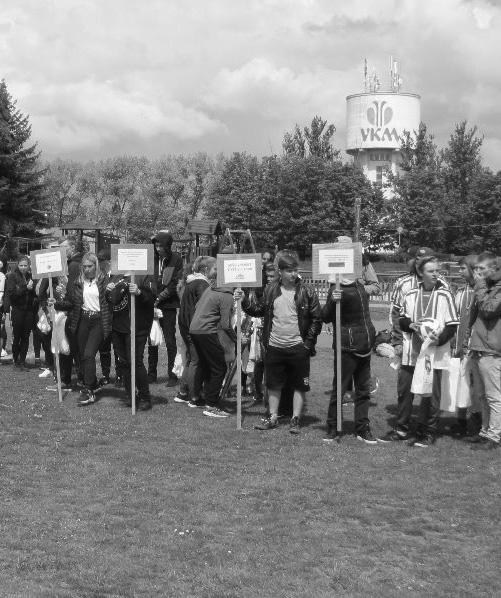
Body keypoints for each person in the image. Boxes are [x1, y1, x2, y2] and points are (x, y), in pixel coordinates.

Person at [238, 254, 322, 434]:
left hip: (298, 347)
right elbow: (259, 310)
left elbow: (316, 319)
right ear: (280, 272)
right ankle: (273, 416)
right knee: (273, 384)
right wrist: (244, 300)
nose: (293, 274)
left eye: (295, 270)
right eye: (289, 271)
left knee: (300, 385)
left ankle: (295, 418)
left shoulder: (307, 291)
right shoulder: (271, 290)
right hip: (275, 346)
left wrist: (307, 344)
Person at [382, 257, 458, 447]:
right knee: (405, 391)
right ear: (421, 273)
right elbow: (402, 319)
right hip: (411, 352)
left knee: (431, 393)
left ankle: (427, 431)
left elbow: (452, 324)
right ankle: (401, 429)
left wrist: (438, 340)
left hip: (434, 353)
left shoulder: (445, 295)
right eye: (431, 271)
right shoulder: (411, 294)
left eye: (437, 271)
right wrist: (411, 325)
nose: (435, 274)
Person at [321, 274, 377, 444]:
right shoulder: (336, 287)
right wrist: (332, 300)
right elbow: (325, 316)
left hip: (364, 344)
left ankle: (362, 427)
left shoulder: (359, 286)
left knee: (363, 390)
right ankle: (332, 426)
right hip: (346, 346)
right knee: (340, 389)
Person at [52, 253, 112, 405]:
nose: (86, 269)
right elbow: (70, 302)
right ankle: (91, 383)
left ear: (96, 266)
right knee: (81, 355)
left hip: (99, 320)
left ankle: (88, 390)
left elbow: (111, 301)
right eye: (84, 267)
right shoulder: (78, 281)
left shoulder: (104, 280)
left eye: (89, 266)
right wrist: (56, 303)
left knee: (89, 354)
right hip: (82, 320)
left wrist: (112, 291)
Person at [106, 273, 156, 411]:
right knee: (124, 363)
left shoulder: (144, 275)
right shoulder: (116, 276)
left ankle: (145, 397)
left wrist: (139, 292)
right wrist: (107, 291)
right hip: (118, 327)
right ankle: (130, 395)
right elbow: (111, 301)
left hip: (137, 327)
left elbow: (152, 298)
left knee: (135, 362)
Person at [466, 252, 501, 450]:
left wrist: (479, 286)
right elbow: (473, 317)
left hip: (492, 350)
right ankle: (485, 431)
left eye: (481, 269)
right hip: (479, 347)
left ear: (493, 270)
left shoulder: (496, 289)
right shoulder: (485, 288)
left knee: (494, 396)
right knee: (482, 396)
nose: (477, 273)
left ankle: (494, 436)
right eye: (476, 269)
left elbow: (489, 310)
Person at [189, 272, 236, 418]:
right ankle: (212, 405)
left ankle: (198, 398)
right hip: (206, 331)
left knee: (205, 365)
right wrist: (238, 339)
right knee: (219, 367)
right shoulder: (227, 295)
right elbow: (225, 324)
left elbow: (197, 306)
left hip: (194, 329)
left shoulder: (210, 288)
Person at [176, 256, 216, 407]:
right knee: (196, 360)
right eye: (215, 269)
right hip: (193, 326)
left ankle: (183, 391)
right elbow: (203, 307)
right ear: (206, 270)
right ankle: (194, 396)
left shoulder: (192, 282)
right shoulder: (202, 284)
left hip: (186, 324)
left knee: (191, 358)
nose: (216, 272)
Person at [450, 255, 482, 437]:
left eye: (462, 268)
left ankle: (477, 422)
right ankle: (460, 422)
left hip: (476, 346)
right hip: (459, 346)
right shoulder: (461, 292)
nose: (459, 272)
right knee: (460, 383)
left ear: (472, 269)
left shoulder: (481, 292)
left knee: (475, 385)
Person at [148, 231, 183, 385]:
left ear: (167, 246)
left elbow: (176, 283)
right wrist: (151, 298)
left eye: (161, 245)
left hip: (168, 305)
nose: (158, 248)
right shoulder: (151, 258)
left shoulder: (176, 259)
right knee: (152, 340)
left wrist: (160, 297)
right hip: (151, 304)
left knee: (170, 341)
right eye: (156, 245)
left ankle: (172, 375)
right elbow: (148, 278)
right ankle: (151, 374)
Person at [6, 255, 37, 369]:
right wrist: (25, 287)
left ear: (29, 266)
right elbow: (12, 295)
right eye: (21, 265)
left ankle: (23, 361)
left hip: (29, 311)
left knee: (26, 336)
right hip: (17, 310)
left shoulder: (31, 276)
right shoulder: (12, 276)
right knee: (17, 336)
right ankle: (16, 360)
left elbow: (34, 293)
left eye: (25, 265)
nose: (23, 267)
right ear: (17, 265)